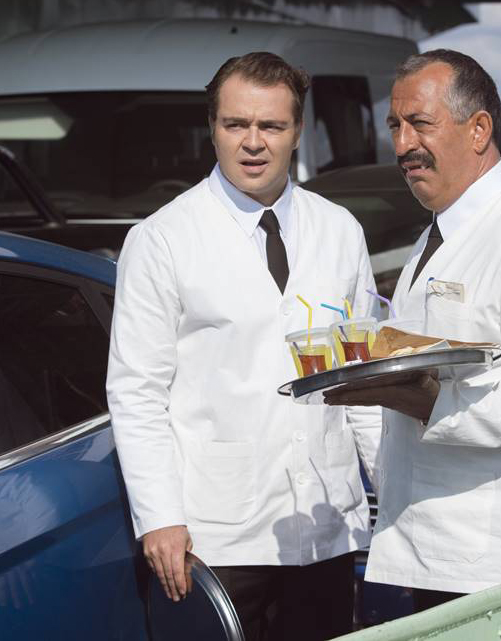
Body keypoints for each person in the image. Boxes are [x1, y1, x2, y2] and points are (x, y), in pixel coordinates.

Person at [107, 51, 380, 641]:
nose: (253, 142)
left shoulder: (340, 230)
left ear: (298, 131)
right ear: (213, 127)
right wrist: (160, 518)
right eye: (236, 124)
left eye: (271, 126)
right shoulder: (162, 239)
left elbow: (360, 378)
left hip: (326, 522)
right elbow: (136, 392)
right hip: (218, 535)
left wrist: (393, 486)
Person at [324, 49, 501, 612]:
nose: (402, 145)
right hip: (443, 553)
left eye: (420, 123)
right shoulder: (439, 234)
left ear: (479, 130)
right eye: (395, 126)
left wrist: (431, 403)